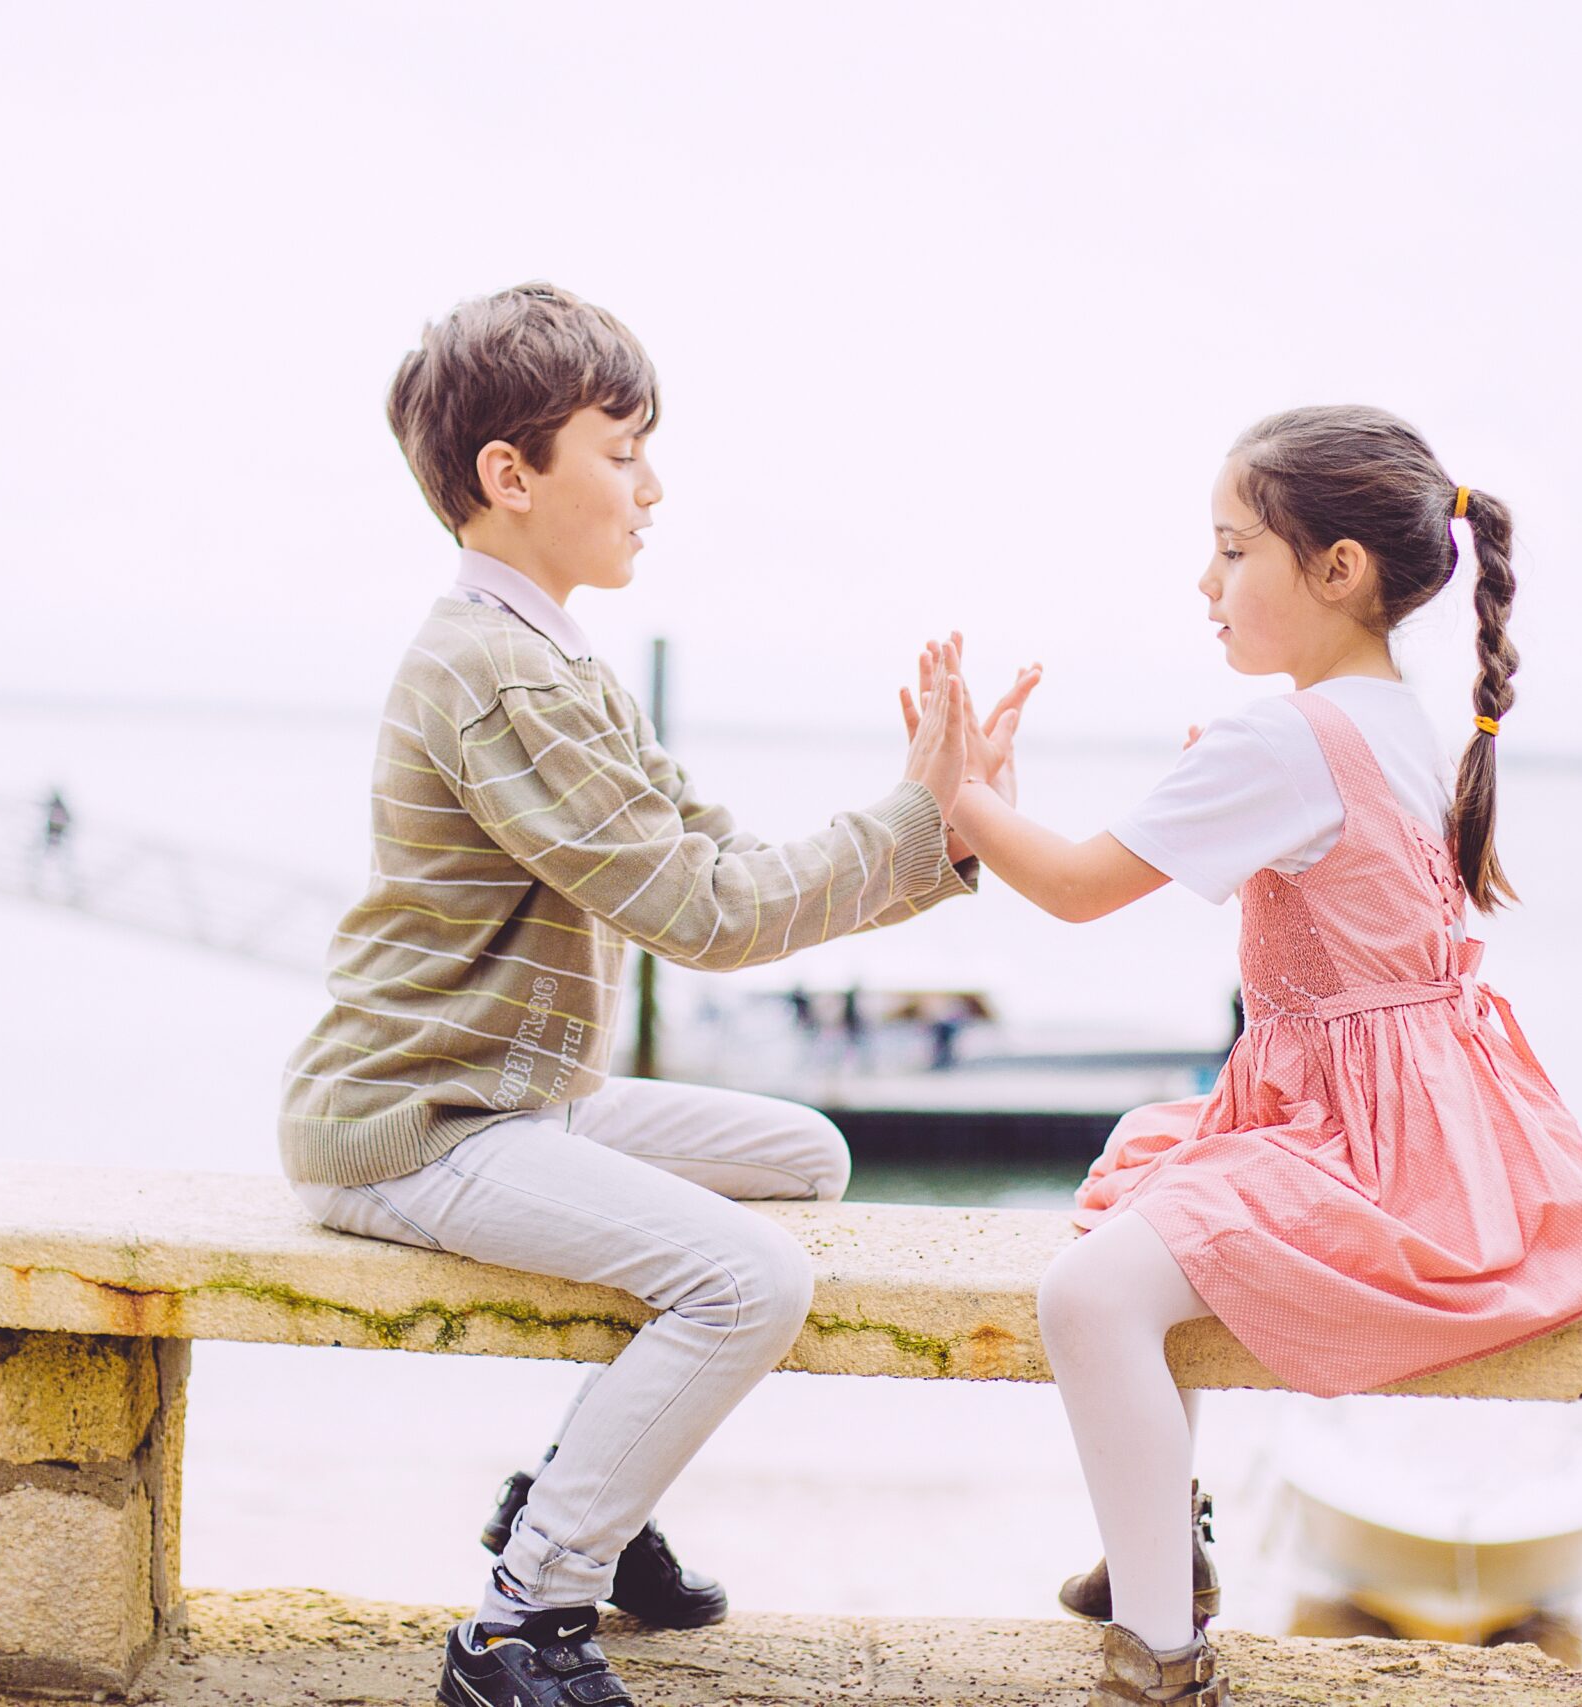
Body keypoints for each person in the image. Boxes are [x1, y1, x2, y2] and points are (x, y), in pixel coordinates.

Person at [275, 282, 1030, 1707]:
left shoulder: (550, 653)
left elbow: (716, 860)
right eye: (622, 454)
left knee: (804, 1162)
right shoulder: (500, 677)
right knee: (749, 1279)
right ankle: (523, 1614)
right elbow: (705, 916)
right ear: (511, 476)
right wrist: (917, 819)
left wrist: (937, 829)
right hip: (416, 1122)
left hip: (512, 1099)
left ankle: (578, 1491)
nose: (652, 487)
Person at [930, 406, 1582, 1705]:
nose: (1205, 582)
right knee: (1146, 1177)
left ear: (1339, 570)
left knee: (1090, 1298)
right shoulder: (1386, 717)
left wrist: (954, 791)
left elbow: (1080, 889)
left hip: (1359, 1139)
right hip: (1428, 1117)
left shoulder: (1289, 741)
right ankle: (1161, 1545)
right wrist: (993, 809)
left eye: (1232, 549)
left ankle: (1163, 1648)